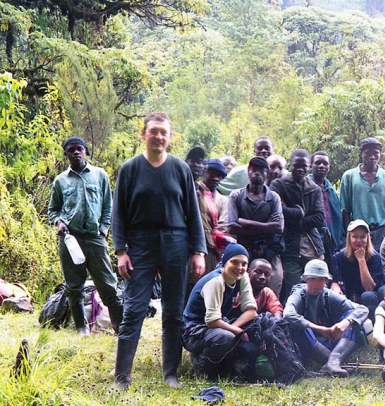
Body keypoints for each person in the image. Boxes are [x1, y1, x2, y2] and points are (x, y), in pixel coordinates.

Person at [111, 112, 206, 391]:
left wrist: (198, 251)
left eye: (164, 132)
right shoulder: (130, 169)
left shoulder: (180, 169)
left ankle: (170, 373)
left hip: (176, 243)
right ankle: (122, 377)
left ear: (170, 137)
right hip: (140, 244)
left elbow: (193, 213)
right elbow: (119, 214)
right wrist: (120, 251)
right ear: (143, 134)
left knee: (174, 311)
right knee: (134, 309)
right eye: (153, 131)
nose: (159, 137)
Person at [48, 136, 123, 335]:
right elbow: (53, 210)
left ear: (85, 152)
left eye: (79, 149)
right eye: (71, 150)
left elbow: (108, 206)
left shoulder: (100, 175)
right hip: (70, 240)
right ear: (66, 155)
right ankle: (82, 329)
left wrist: (103, 230)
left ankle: (120, 327)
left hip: (94, 238)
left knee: (108, 284)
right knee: (74, 286)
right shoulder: (61, 180)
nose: (75, 153)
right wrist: (59, 222)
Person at [182, 243, 257, 380]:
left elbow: (251, 311)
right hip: (194, 330)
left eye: (243, 264)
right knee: (225, 337)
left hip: (219, 323)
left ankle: (229, 368)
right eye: (234, 262)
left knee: (256, 326)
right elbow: (212, 321)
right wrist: (237, 332)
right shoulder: (216, 281)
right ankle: (201, 366)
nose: (239, 268)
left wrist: (235, 329)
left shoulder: (242, 277)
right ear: (224, 262)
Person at [284, 260, 369, 377]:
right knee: (297, 326)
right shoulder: (298, 295)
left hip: (331, 342)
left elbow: (362, 309)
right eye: (313, 279)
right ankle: (336, 363)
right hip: (308, 342)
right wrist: (320, 329)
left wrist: (345, 323)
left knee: (352, 317)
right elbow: (288, 315)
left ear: (326, 281)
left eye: (320, 279)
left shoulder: (328, 294)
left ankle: (333, 363)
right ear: (306, 279)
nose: (316, 284)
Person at [270, 149, 325, 299]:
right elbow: (276, 213)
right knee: (295, 290)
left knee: (317, 288)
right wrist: (299, 213)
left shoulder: (314, 189)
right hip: (289, 246)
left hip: (312, 245)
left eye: (304, 166)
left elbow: (319, 218)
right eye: (296, 165)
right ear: (290, 165)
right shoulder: (278, 185)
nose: (300, 169)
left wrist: (294, 217)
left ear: (309, 167)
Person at [228, 157, 285, 298]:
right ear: (248, 172)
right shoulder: (236, 195)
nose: (256, 173)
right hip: (244, 249)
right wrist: (267, 226)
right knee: (237, 290)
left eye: (260, 170)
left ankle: (271, 319)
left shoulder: (274, 197)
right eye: (253, 169)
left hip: (269, 249)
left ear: (267, 174)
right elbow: (232, 227)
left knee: (274, 285)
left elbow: (278, 227)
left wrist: (246, 223)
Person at [340, 138, 385, 248]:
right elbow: (345, 210)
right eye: (368, 153)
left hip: (383, 230)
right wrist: (349, 234)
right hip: (359, 232)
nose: (372, 157)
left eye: (376, 153)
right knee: (359, 262)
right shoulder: (349, 176)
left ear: (380, 154)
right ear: (361, 154)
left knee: (383, 263)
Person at [331, 220, 385, 319]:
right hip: (348, 295)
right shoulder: (339, 257)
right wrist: (335, 287)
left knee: (367, 295)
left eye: (362, 237)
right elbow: (335, 280)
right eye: (355, 237)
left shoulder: (375, 257)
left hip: (369, 298)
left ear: (368, 238)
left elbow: (369, 288)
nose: (359, 241)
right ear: (349, 238)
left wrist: (361, 260)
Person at [195, 159, 234, 277]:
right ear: (203, 172)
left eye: (219, 175)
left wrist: (214, 234)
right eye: (212, 173)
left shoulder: (223, 200)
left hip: (212, 249)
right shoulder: (192, 192)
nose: (215, 178)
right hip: (193, 246)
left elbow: (223, 225)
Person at [310, 151, 344, 250]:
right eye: (317, 163)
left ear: (329, 166)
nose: (321, 166)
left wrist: (342, 239)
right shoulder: (306, 188)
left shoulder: (331, 191)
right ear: (311, 165)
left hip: (334, 243)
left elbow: (338, 218)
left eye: (325, 163)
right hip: (314, 243)